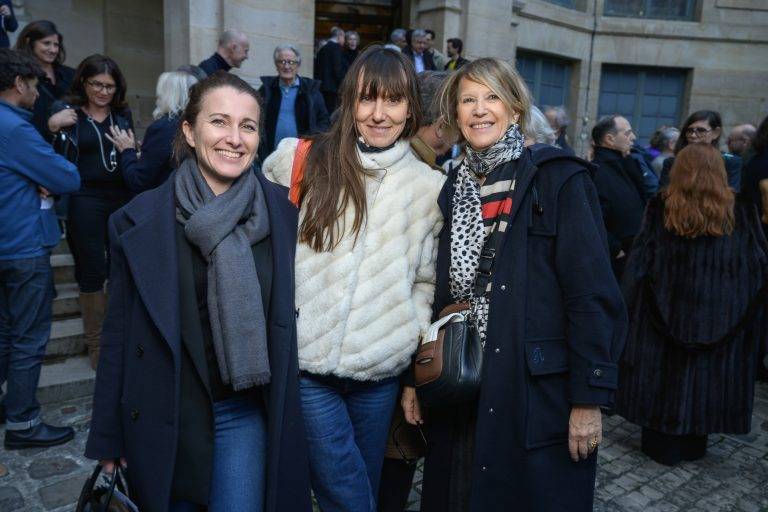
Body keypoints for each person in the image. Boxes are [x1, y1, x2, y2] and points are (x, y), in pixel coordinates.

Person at [85, 71, 313, 512]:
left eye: (247, 126)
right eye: (219, 122)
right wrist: (108, 437)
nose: (234, 138)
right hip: (162, 411)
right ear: (189, 131)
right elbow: (118, 336)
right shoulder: (137, 221)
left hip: (241, 412)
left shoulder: (282, 215)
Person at [406, 57, 626, 512]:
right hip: (461, 381)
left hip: (530, 388)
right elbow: (442, 294)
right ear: (454, 113)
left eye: (492, 97)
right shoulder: (452, 187)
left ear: (514, 108)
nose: (480, 109)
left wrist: (589, 399)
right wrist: (419, 376)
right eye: (468, 99)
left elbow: (591, 295)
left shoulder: (558, 178)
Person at [263, 45, 445, 512]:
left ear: (411, 109)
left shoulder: (429, 188)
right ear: (350, 101)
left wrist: (407, 344)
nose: (379, 114)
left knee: (363, 480)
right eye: (368, 99)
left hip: (381, 373)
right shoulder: (303, 160)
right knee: (345, 492)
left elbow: (426, 281)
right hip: (308, 367)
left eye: (394, 100)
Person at [617, 142, 768, 466]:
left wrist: (626, 309)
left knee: (663, 379)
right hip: (720, 319)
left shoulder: (661, 206)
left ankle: (660, 442)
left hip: (664, 314)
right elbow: (757, 266)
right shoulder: (742, 210)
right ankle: (693, 443)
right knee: (703, 382)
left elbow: (640, 262)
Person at [0, 49, 80, 449]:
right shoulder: (15, 128)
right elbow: (66, 176)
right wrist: (39, 176)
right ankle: (23, 423)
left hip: (7, 242)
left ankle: (10, 407)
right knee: (29, 338)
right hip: (22, 246)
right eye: (34, 85)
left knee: (5, 333)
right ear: (19, 84)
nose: (37, 93)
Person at [48, 54, 134, 370]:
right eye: (96, 84)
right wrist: (51, 126)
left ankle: (117, 340)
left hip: (120, 197)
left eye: (109, 86)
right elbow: (46, 154)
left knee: (120, 267)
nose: (102, 91)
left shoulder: (121, 115)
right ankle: (96, 345)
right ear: (84, 82)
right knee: (91, 268)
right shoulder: (68, 115)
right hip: (84, 197)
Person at [106, 70, 198, 193]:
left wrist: (127, 150)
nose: (157, 99)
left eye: (159, 94)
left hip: (169, 203)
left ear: (167, 95)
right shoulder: (199, 125)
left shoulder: (163, 128)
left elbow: (138, 181)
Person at [590, 114, 647, 277]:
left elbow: (642, 194)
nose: (633, 137)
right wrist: (615, 249)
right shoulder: (598, 171)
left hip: (633, 253)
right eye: (627, 133)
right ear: (610, 139)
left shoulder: (623, 163)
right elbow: (594, 217)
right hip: (618, 259)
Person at [258, 44, 329, 162]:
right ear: (276, 65)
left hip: (301, 158)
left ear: (298, 65)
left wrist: (311, 144)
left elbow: (324, 122)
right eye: (282, 62)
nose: (286, 66)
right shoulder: (266, 90)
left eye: (291, 62)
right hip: (270, 157)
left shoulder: (311, 91)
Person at [13, 20, 75, 141]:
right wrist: (51, 125)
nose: (53, 50)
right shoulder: (20, 77)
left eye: (56, 45)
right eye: (46, 43)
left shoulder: (69, 74)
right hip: (35, 144)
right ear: (29, 42)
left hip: (70, 146)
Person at [660, 110, 742, 191]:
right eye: (690, 131)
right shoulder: (672, 163)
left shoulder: (730, 162)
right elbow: (663, 195)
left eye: (701, 130)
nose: (693, 135)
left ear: (716, 133)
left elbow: (732, 195)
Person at [315, 26, 346, 113]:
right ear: (339, 36)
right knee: (332, 113)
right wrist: (343, 84)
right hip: (332, 88)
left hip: (322, 86)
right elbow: (337, 68)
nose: (344, 41)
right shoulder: (336, 48)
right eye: (344, 37)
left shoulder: (323, 48)